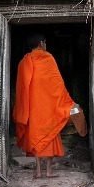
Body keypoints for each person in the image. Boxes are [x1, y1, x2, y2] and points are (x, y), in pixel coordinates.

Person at [13, 33, 85, 178]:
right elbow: (57, 85)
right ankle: (49, 171)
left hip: (32, 109)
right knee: (50, 135)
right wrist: (67, 102)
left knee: (35, 136)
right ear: (42, 43)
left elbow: (21, 89)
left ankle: (38, 172)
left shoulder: (23, 62)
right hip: (49, 107)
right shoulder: (48, 58)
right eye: (45, 43)